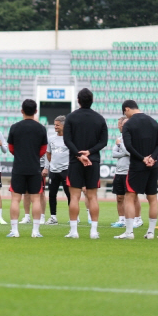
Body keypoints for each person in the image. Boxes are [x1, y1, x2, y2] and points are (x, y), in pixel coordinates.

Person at [62, 88, 108, 239]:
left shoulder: (71, 117)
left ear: (78, 100)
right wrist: (89, 152)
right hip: (93, 161)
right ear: (92, 100)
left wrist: (79, 154)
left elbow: (67, 140)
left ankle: (74, 231)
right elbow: (103, 142)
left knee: (74, 196)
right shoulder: (99, 118)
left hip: (76, 161)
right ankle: (94, 231)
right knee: (93, 196)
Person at [118, 100, 158, 240]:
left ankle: (129, 232)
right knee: (153, 199)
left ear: (127, 109)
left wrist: (142, 158)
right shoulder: (153, 122)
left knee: (130, 197)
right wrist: (152, 157)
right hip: (153, 165)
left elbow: (128, 145)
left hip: (137, 165)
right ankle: (150, 232)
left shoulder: (129, 124)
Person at [6, 100, 48, 238]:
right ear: (36, 111)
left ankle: (14, 230)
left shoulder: (14, 127)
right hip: (34, 167)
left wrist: (20, 155)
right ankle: (35, 231)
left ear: (22, 111)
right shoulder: (41, 128)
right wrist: (33, 156)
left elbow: (11, 148)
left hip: (19, 167)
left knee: (15, 199)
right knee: (36, 199)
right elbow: (43, 150)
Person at [46, 116, 70, 225]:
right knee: (52, 194)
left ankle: (74, 216)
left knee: (69, 194)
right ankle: (53, 217)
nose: (55, 127)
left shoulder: (69, 138)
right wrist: (51, 165)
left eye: (57, 125)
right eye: (54, 124)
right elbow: (48, 153)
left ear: (64, 126)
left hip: (66, 170)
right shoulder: (51, 139)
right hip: (54, 171)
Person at [110, 116, 130, 228]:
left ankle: (134, 219)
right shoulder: (119, 137)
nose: (120, 126)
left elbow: (130, 152)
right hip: (119, 171)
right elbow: (114, 154)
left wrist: (120, 145)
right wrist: (123, 151)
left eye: (121, 124)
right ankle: (121, 219)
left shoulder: (131, 137)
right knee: (119, 197)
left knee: (130, 198)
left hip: (128, 170)